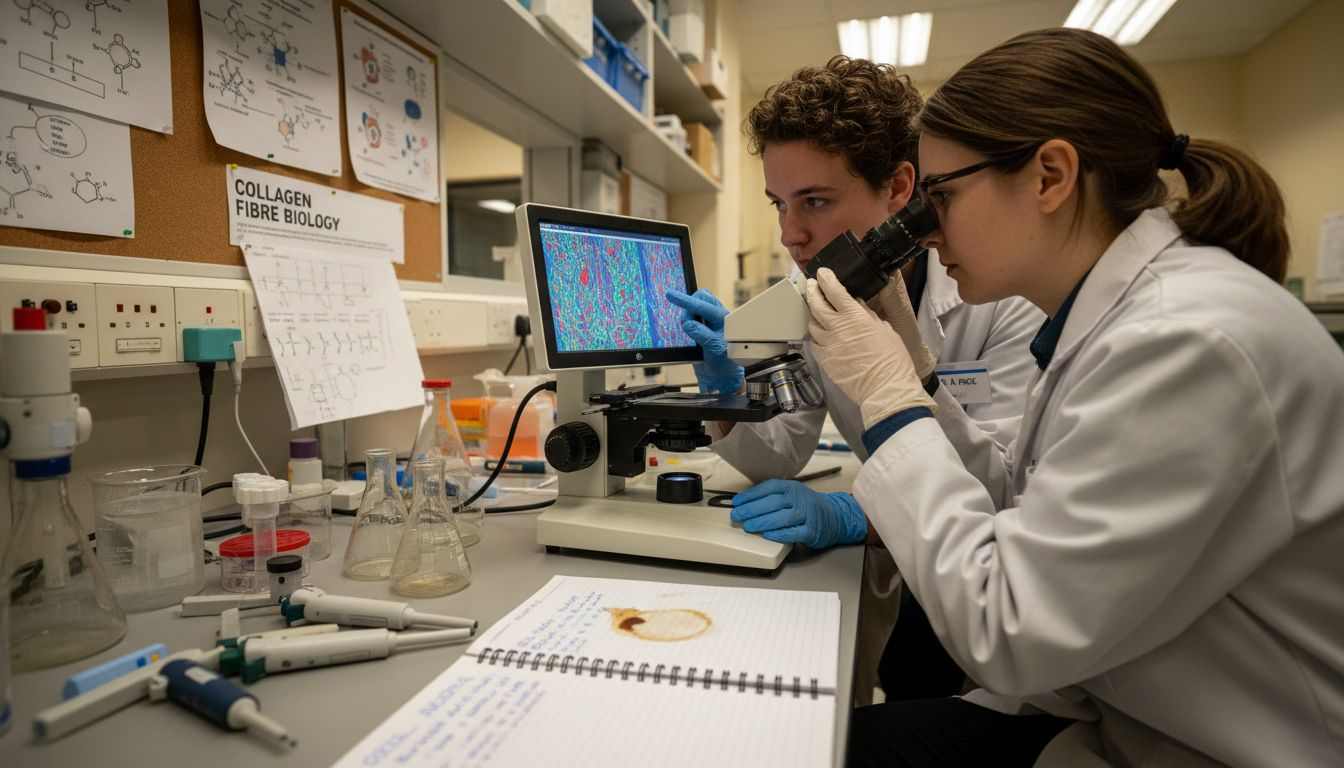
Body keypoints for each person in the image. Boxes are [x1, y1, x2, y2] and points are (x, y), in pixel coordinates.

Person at [800, 28, 1344, 767]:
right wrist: (920, 377)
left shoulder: (1186, 340)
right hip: (1121, 709)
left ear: (1051, 176)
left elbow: (1009, 631)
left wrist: (893, 405)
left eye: (943, 197)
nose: (924, 233)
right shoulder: (1121, 320)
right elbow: (1020, 513)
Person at [666, 56, 1043, 703]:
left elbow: (1015, 496)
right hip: (920, 556)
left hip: (999, 590)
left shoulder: (1003, 300)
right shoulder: (810, 292)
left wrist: (859, 513)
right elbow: (784, 448)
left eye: (815, 201)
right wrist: (728, 388)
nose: (791, 235)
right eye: (779, 204)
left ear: (900, 188)